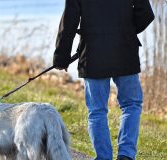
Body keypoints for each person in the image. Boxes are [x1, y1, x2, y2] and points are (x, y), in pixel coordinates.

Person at [53, 0, 154, 160]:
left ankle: (104, 157)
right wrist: (127, 30)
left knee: (97, 110)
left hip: (93, 55)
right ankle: (126, 155)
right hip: (125, 51)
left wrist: (61, 57)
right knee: (131, 105)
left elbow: (69, 21)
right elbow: (146, 14)